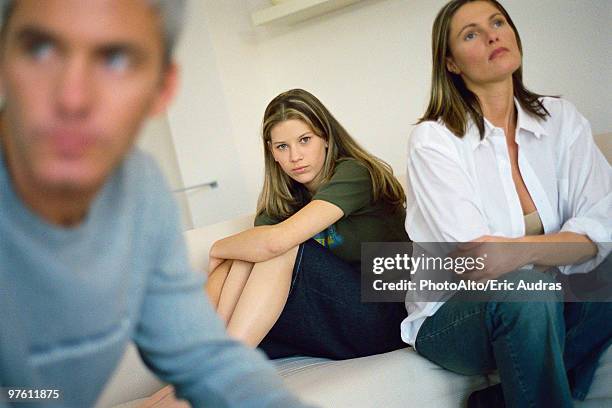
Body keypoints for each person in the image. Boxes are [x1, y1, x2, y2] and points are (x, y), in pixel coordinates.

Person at [0, 1, 312, 407]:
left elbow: (201, 356)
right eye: (41, 50)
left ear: (162, 89)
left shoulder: (140, 192)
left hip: (386, 299)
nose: (72, 93)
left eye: (113, 60)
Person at [403, 1, 612, 407]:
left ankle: (501, 400)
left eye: (497, 22)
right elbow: (479, 261)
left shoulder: (561, 119)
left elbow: (605, 220)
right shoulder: (434, 140)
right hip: (456, 317)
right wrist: (566, 246)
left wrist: (523, 250)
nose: (492, 35)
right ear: (451, 63)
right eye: (470, 34)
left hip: (554, 295)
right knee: (529, 290)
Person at [206, 88, 409, 359]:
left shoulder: (354, 173)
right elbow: (250, 257)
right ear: (272, 152)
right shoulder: (281, 202)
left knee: (278, 247)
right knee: (244, 257)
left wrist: (218, 247)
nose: (295, 156)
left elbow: (275, 243)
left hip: (387, 316)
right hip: (329, 320)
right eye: (282, 147)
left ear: (325, 137)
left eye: (304, 140)